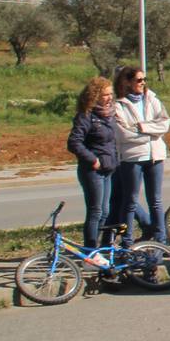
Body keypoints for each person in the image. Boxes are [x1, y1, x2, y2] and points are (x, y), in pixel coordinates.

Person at [112, 65, 170, 244]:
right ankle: (127, 240)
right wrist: (152, 133)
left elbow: (164, 124)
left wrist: (143, 127)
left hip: (155, 156)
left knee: (156, 201)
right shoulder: (118, 105)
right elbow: (123, 134)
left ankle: (161, 239)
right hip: (132, 158)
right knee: (130, 200)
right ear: (127, 82)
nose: (142, 83)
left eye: (144, 80)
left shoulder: (152, 99)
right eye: (138, 80)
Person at [67, 76, 118, 249]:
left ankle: (98, 248)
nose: (109, 98)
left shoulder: (109, 114)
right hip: (93, 170)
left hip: (108, 168)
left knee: (105, 211)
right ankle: (90, 250)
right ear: (94, 96)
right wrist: (92, 159)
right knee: (95, 211)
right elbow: (74, 142)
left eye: (111, 94)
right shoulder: (86, 116)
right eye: (105, 95)